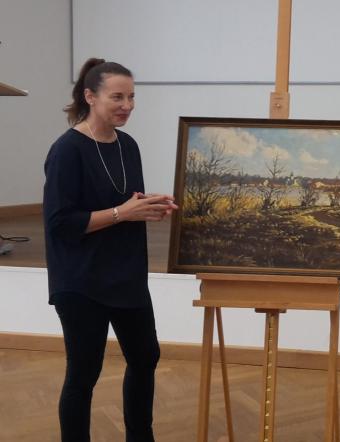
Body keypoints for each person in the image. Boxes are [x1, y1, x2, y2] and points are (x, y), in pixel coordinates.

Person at [43, 58, 177, 441]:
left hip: (126, 274)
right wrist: (124, 212)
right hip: (81, 280)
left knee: (145, 357)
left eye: (132, 97)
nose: (128, 105)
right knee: (84, 373)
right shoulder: (67, 150)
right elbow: (60, 224)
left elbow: (121, 201)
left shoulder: (128, 145)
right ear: (90, 96)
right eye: (117, 96)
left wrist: (148, 206)